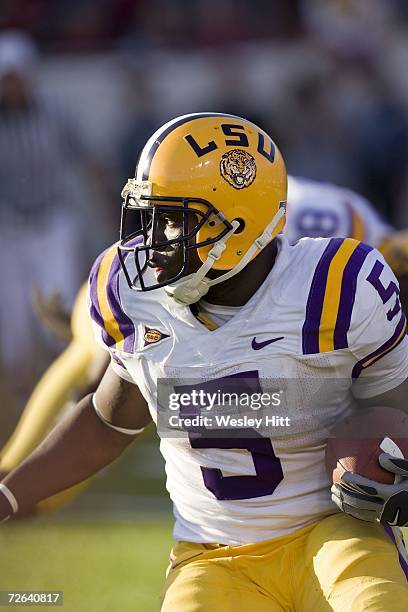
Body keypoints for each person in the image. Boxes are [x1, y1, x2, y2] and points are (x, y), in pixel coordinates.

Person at [1, 113, 408, 611]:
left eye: (173, 219)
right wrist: (10, 494)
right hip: (212, 553)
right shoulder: (131, 295)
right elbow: (109, 420)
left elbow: (395, 399)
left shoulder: (336, 287)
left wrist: (392, 449)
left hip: (334, 532)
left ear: (236, 225)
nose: (151, 242)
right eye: (149, 217)